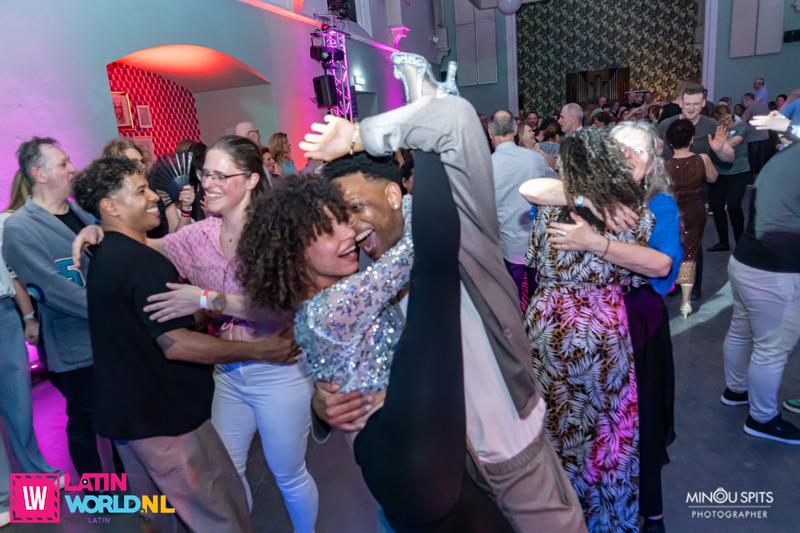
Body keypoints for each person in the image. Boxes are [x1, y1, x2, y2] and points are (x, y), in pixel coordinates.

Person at [295, 52, 587, 532]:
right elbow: (336, 356)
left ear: (393, 194)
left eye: (353, 207)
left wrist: (356, 135)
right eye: (335, 218)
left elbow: (454, 120)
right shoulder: (359, 275)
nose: (348, 228)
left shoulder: (456, 223)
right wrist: (320, 408)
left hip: (509, 445)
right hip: (444, 473)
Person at [72, 136, 319, 532]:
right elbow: (142, 244)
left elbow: (284, 307)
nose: (208, 184)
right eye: (206, 174)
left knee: (287, 474)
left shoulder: (278, 234)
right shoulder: (198, 235)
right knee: (227, 475)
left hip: (279, 369)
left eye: (222, 175)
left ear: (252, 179)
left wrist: (207, 299)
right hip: (228, 374)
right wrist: (98, 231)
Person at [520, 122, 684, 533]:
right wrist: (591, 198)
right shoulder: (632, 216)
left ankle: (567, 514)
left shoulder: (653, 206)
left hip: (581, 327)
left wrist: (591, 226)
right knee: (608, 431)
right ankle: (607, 517)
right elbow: (533, 191)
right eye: (620, 148)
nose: (628, 156)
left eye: (638, 151)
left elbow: (662, 266)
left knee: (569, 425)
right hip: (605, 329)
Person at [2, 137, 106, 478]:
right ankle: (101, 494)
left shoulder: (80, 212)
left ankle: (128, 488)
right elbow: (52, 289)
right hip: (74, 345)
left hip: (107, 336)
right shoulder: (19, 228)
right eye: (63, 163)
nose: (73, 168)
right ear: (39, 174)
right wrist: (114, 309)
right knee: (85, 421)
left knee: (116, 416)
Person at [721, 120, 800, 445]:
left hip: (745, 261)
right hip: (776, 272)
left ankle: (735, 390)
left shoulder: (785, 156)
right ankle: (762, 418)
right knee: (771, 349)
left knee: (741, 330)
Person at [0, 174, 60, 530]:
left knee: (18, 404)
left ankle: (36, 484)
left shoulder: (2, 223)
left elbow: (12, 275)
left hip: (4, 314)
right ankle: (3, 498)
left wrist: (26, 316)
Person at [488, 109, 556, 311]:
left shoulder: (486, 165)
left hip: (508, 246)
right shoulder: (534, 159)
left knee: (511, 302)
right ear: (515, 130)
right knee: (538, 301)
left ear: (490, 132)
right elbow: (555, 187)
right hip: (536, 242)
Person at [665, 119, 718, 317]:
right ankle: (686, 302)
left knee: (673, 249)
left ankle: (672, 285)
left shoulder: (665, 166)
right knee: (690, 253)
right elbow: (713, 178)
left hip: (673, 213)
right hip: (695, 211)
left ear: (670, 142)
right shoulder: (702, 159)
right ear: (692, 139)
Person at [101, 138, 195, 238]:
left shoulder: (160, 188)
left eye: (142, 161)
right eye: (133, 163)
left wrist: (186, 208)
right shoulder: (117, 199)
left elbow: (178, 236)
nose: (142, 166)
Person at [706, 105, 751, 252]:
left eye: (727, 118)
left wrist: (719, 145)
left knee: (733, 207)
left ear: (731, 115)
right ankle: (723, 242)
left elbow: (734, 142)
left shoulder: (742, 128)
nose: (726, 122)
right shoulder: (717, 130)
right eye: (722, 120)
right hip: (721, 173)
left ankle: (740, 242)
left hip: (739, 172)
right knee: (717, 207)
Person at [740, 92, 770, 175]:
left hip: (753, 138)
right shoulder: (764, 107)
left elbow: (742, 122)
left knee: (751, 160)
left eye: (743, 101)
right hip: (764, 136)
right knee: (760, 160)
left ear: (748, 99)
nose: (743, 103)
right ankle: (760, 177)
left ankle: (751, 178)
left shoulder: (750, 109)